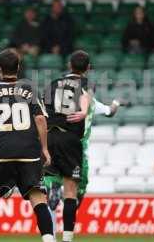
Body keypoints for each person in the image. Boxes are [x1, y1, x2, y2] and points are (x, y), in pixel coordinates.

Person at [0, 49, 54, 242]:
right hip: (29, 153)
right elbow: (41, 120)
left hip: (1, 153)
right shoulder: (30, 90)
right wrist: (44, 149)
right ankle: (49, 239)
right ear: (18, 68)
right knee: (38, 200)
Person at [44, 97, 120, 235]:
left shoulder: (60, 98)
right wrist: (116, 102)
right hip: (77, 152)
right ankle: (67, 199)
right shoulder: (92, 102)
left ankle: (54, 190)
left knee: (52, 193)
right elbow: (110, 111)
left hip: (57, 148)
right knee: (77, 194)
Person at [43, 50, 90, 242]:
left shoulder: (52, 84)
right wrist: (84, 110)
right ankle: (67, 239)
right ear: (87, 69)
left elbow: (42, 111)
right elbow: (85, 95)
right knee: (71, 192)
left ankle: (48, 238)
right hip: (69, 138)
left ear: (69, 65)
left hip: (51, 137)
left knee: (43, 191)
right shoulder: (83, 84)